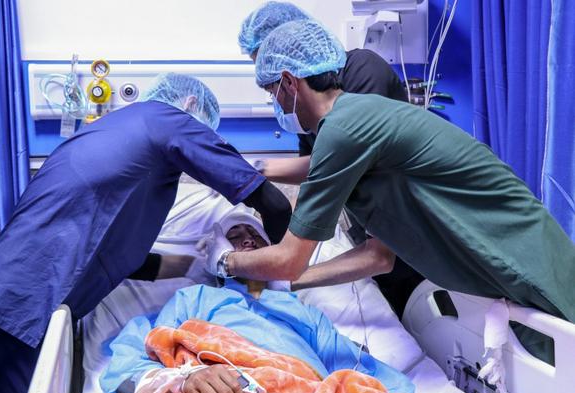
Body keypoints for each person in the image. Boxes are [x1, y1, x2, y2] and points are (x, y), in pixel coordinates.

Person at [205, 20, 575, 331]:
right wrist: (285, 284)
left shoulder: (343, 130)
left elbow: (289, 259)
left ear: (289, 83)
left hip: (519, 253)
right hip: (498, 260)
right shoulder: (354, 117)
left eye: (271, 91)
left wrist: (224, 261)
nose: (275, 104)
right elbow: (378, 256)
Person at [0, 73, 291, 393]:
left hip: (6, 298)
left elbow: (114, 254)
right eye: (236, 234)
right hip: (23, 306)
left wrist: (189, 265)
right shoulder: (167, 121)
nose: (246, 242)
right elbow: (276, 205)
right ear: (190, 104)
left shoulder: (120, 136)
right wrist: (279, 269)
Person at [100, 212, 414, 393]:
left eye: (256, 237)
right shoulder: (194, 298)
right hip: (220, 391)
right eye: (235, 238)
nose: (249, 241)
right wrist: (183, 379)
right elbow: (135, 363)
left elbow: (359, 372)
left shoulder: (303, 313)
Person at [238, 1, 423, 316]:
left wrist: (278, 275)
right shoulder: (306, 109)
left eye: (273, 85)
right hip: (374, 230)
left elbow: (338, 161)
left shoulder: (361, 75)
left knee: (417, 302)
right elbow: (314, 172)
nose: (275, 98)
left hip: (409, 234)